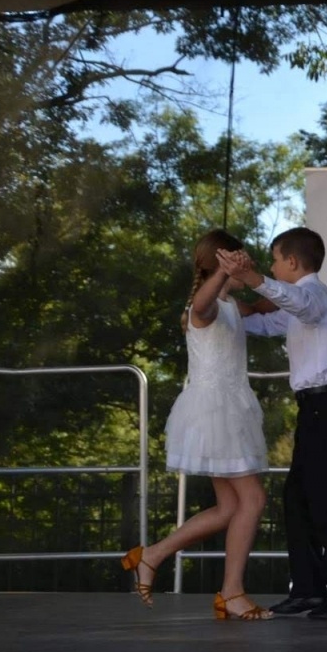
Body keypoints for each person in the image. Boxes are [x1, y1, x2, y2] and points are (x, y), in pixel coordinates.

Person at [216, 227, 327, 621]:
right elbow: (265, 325)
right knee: (297, 500)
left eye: (275, 260)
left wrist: (251, 279)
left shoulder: (314, 295)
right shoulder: (301, 308)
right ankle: (309, 590)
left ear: (293, 263)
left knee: (323, 501)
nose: (271, 267)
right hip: (314, 409)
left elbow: (295, 302)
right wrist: (219, 310)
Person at [121, 228, 272, 621]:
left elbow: (265, 306)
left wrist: (272, 283)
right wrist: (224, 273)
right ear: (220, 263)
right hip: (215, 412)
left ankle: (151, 555)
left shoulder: (234, 307)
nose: (248, 264)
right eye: (240, 258)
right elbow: (203, 302)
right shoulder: (200, 308)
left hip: (232, 409)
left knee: (229, 508)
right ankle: (232, 592)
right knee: (253, 500)